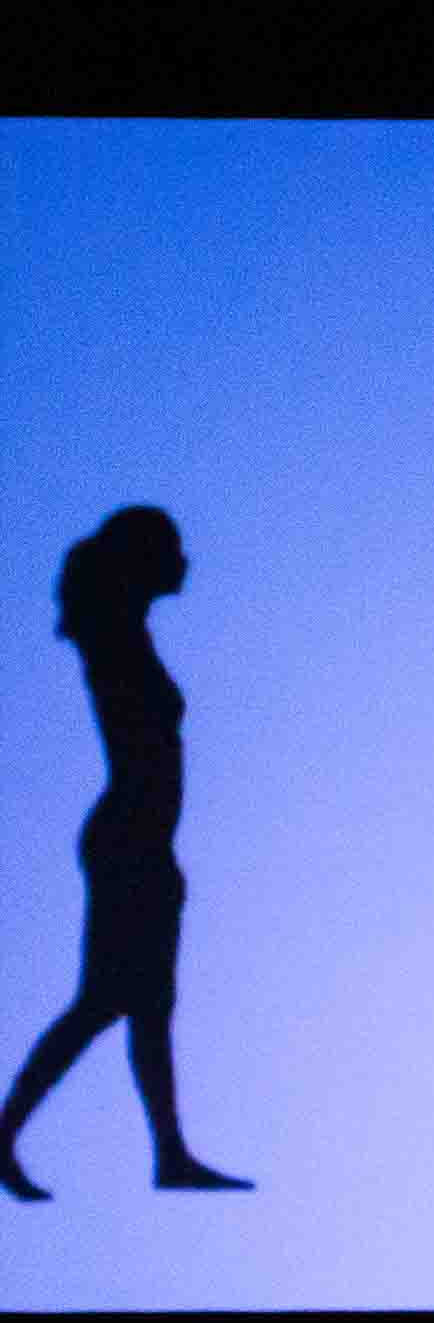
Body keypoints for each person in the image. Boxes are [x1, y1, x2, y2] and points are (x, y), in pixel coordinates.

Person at [1, 508, 252, 1200]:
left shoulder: (124, 636)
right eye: (173, 548)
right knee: (107, 1001)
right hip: (130, 840)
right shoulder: (114, 638)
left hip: (143, 842)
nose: (186, 560)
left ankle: (170, 1153)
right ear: (142, 562)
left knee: (146, 1005)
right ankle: (9, 1130)